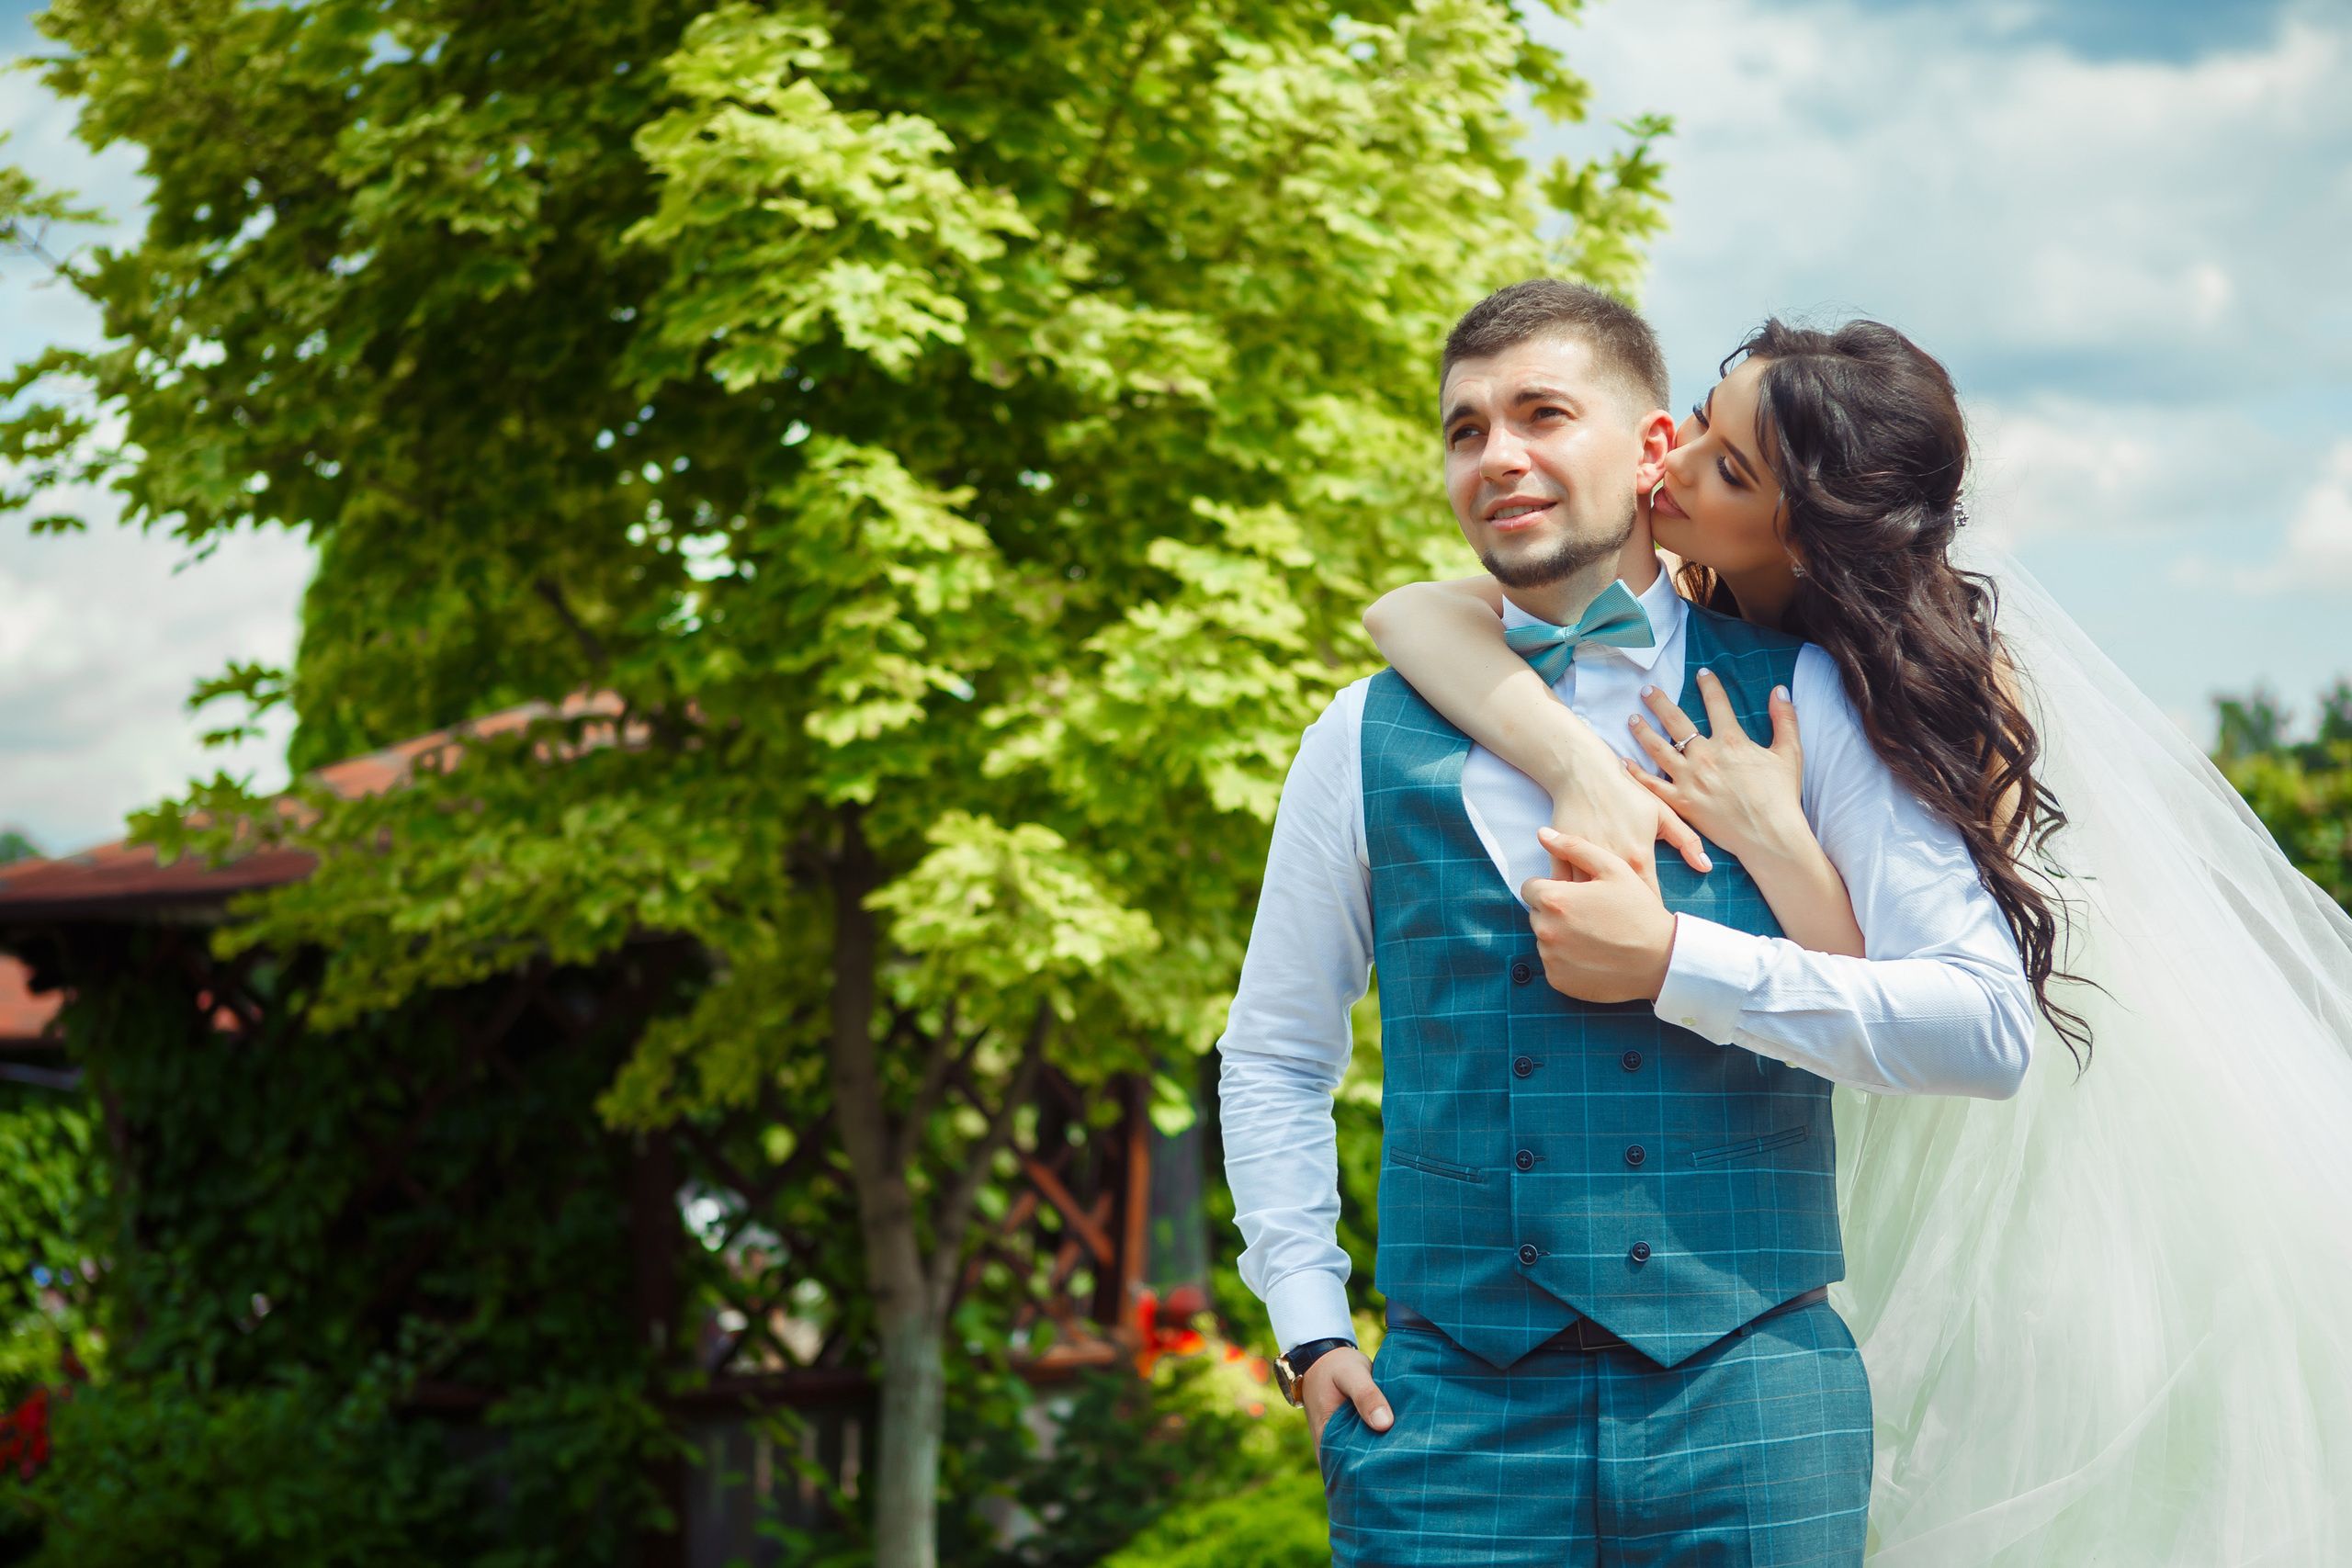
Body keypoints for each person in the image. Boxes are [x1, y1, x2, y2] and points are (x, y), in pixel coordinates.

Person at [1359, 313, 2352, 1561]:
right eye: (1704, 428)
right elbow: (1408, 613)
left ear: (1801, 529)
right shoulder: (1703, 608)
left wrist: (1760, 855)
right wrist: (1578, 767)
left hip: (2044, 1135)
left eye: (1723, 468)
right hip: (1799, 1116)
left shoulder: (1898, 694)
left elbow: (1946, 1011)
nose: (1668, 468)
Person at [1216, 280, 2039, 1568]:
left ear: (1658, 451)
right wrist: (1310, 1322)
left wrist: (1672, 962)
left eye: (1543, 412)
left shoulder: (1807, 695)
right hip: (1446, 1423)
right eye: (1465, 430)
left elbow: (1985, 1028)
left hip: (1756, 1407)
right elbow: (1273, 1053)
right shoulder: (1357, 737)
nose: (1500, 455)